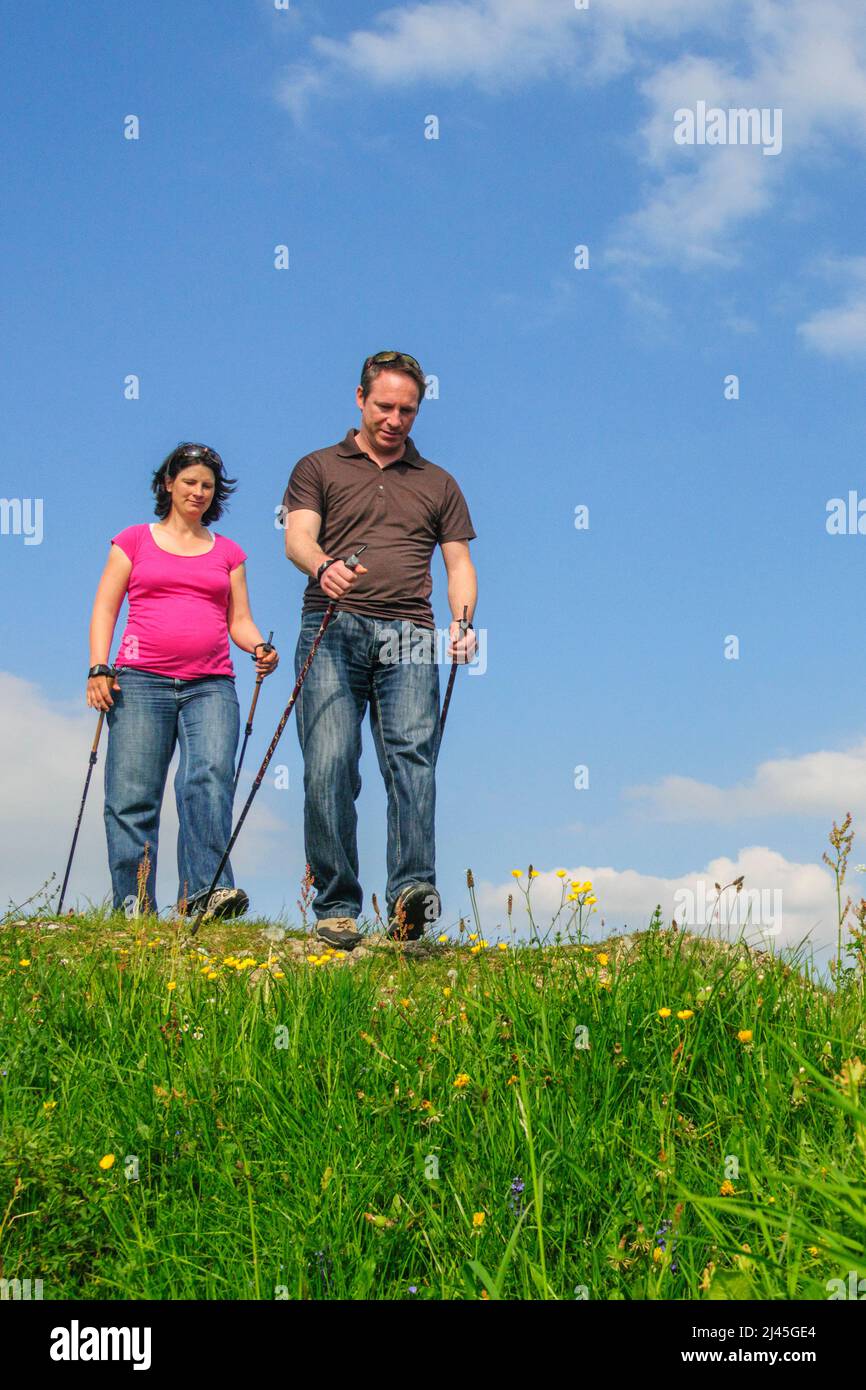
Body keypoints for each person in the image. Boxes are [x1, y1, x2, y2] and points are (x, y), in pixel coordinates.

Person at [282, 350, 477, 949]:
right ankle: (336, 904)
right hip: (331, 627)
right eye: (385, 406)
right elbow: (297, 537)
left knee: (412, 762)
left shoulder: (439, 482)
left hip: (410, 633)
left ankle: (410, 899)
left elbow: (459, 562)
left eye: (408, 410)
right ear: (361, 399)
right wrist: (322, 567)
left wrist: (463, 621)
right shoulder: (317, 466)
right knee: (331, 763)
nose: (395, 419)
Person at [87, 442, 279, 919]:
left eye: (208, 486)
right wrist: (99, 667)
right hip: (140, 680)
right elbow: (106, 608)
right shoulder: (133, 540)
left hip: (210, 685)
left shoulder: (229, 552)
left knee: (208, 781)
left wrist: (258, 646)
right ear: (169, 483)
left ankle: (205, 895)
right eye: (190, 482)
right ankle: (134, 903)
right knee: (132, 793)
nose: (198, 492)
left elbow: (240, 620)